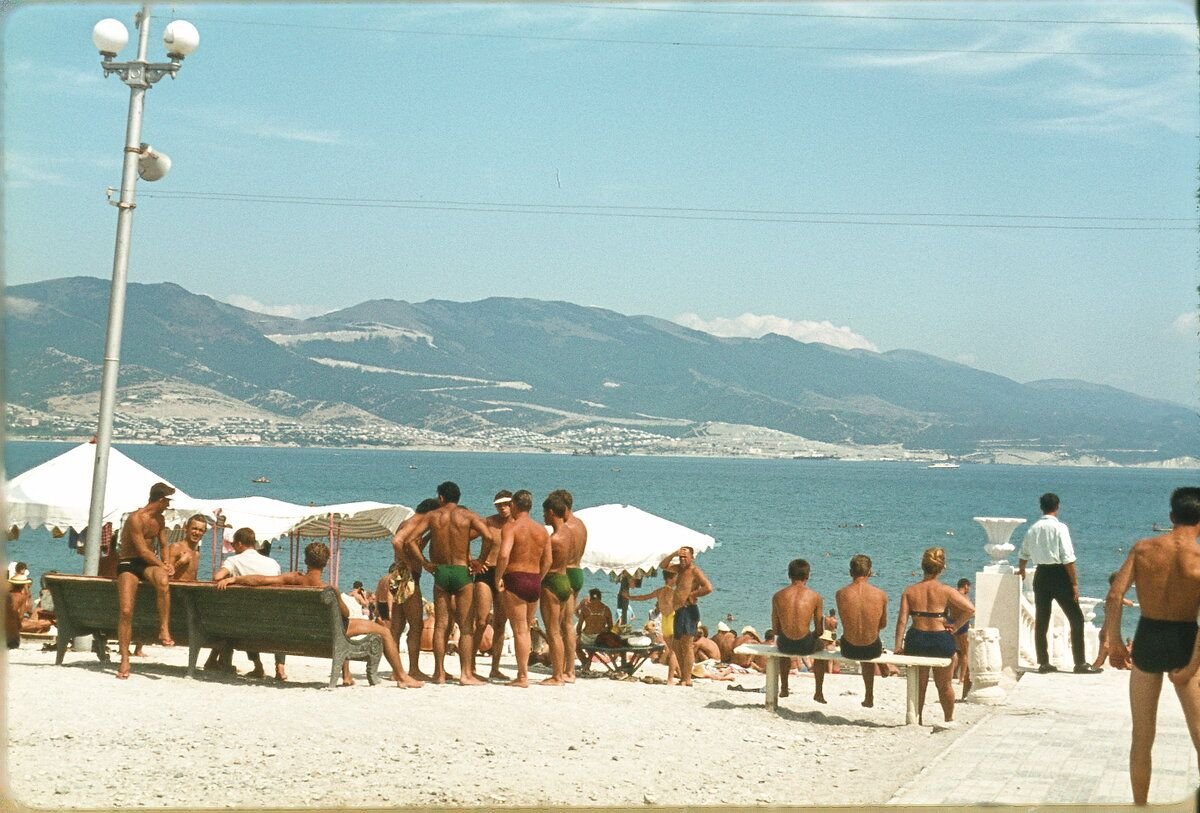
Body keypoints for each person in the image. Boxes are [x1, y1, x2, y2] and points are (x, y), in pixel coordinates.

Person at [216, 541, 422, 689]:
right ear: (326, 562)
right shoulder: (328, 588)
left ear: (305, 560)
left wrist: (235, 580)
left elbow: (260, 580)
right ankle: (401, 675)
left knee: (338, 625)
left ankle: (347, 675)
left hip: (299, 630)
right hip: (330, 631)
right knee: (383, 632)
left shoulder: (293, 578)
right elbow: (345, 614)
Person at [1107, 488, 1200, 806]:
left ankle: (1140, 806)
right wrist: (1190, 667)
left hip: (1148, 636)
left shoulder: (1143, 549)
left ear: (1172, 517)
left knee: (1142, 736)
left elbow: (1114, 595)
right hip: (1186, 640)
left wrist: (1114, 641)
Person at [391, 482, 495, 685]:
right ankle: (465, 674)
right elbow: (489, 536)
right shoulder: (468, 516)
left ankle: (438, 673)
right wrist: (480, 561)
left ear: (441, 497)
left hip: (441, 572)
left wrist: (425, 564)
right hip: (461, 571)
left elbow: (410, 540)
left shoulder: (432, 516)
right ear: (458, 497)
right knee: (465, 627)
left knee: (440, 625)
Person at [1018, 492, 1101, 675]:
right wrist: (1074, 583)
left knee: (1042, 620)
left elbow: (1023, 553)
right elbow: (1067, 558)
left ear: (1042, 508)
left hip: (1041, 575)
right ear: (1057, 507)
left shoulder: (1033, 529)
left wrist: (1022, 570)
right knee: (1076, 618)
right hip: (1059, 574)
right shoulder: (1060, 528)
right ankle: (1079, 663)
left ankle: (1043, 662)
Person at [895, 547, 974, 726]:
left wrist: (898, 646)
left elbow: (901, 621)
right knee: (944, 684)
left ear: (922, 567)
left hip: (917, 638)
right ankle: (948, 718)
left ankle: (918, 719)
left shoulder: (910, 591)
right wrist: (954, 626)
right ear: (941, 568)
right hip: (940, 638)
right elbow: (970, 609)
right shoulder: (945, 590)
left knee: (919, 685)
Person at [114, 482, 177, 679]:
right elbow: (141, 550)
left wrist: (166, 562)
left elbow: (164, 544)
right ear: (159, 499)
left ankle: (164, 628)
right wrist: (161, 563)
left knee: (163, 581)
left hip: (149, 563)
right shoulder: (136, 518)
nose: (168, 505)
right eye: (167, 501)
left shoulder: (160, 520)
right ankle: (124, 659)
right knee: (126, 610)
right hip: (129, 563)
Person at [211, 527, 287, 680]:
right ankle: (280, 667)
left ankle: (258, 666)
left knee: (244, 614)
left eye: (233, 545)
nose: (232, 548)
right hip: (273, 620)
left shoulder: (233, 560)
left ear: (239, 544)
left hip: (247, 621)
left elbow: (218, 577)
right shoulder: (273, 563)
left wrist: (231, 578)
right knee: (266, 615)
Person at [495, 490, 551, 687]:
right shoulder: (542, 530)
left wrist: (498, 577)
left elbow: (503, 555)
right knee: (525, 628)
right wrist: (538, 578)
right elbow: (548, 560)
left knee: (519, 630)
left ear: (514, 506)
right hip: (534, 578)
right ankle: (523, 674)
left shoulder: (511, 528)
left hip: (516, 577)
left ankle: (522, 676)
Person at [835, 553, 895, 708]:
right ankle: (869, 695)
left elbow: (846, 621)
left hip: (849, 648)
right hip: (872, 649)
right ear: (870, 572)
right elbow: (883, 624)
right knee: (871, 638)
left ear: (850, 572)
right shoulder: (880, 595)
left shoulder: (841, 594)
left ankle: (869, 694)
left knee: (857, 635)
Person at [390, 498, 439, 680]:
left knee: (397, 624)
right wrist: (410, 562)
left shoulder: (410, 524)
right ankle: (413, 669)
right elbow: (397, 542)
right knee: (416, 624)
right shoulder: (414, 523)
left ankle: (397, 670)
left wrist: (428, 537)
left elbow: (412, 544)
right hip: (408, 577)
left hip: (400, 575)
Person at [771, 559, 827, 702]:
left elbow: (776, 630)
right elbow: (820, 631)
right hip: (805, 644)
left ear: (789, 575)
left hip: (785, 644)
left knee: (783, 644)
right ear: (807, 576)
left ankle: (784, 687)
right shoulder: (815, 597)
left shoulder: (778, 596)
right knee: (822, 648)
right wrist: (811, 636)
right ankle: (819, 691)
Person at [472, 491, 513, 680]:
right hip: (486, 573)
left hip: (506, 574)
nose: (503, 508)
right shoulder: (488, 522)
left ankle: (494, 667)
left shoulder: (516, 525)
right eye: (499, 505)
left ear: (513, 504)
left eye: (506, 504)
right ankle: (470, 665)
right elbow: (462, 537)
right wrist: (471, 559)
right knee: (480, 621)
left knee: (500, 623)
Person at [659, 546, 712, 688]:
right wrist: (674, 553)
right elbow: (662, 566)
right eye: (681, 557)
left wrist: (692, 595)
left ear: (692, 558)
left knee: (687, 645)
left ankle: (687, 678)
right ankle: (684, 676)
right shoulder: (679, 569)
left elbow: (708, 587)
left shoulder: (695, 571)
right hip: (679, 611)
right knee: (677, 645)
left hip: (689, 610)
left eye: (685, 557)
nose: (682, 559)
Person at [539, 493, 578, 686]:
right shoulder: (570, 533)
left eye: (544, 513)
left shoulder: (553, 538)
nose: (543, 516)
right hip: (565, 580)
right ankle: (562, 671)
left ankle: (557, 676)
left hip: (552, 581)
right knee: (563, 629)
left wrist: (536, 580)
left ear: (551, 512)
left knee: (553, 631)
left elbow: (546, 563)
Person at [549, 488, 587, 680]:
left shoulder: (566, 528)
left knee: (564, 624)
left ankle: (569, 669)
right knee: (567, 623)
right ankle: (566, 666)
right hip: (578, 570)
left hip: (567, 572)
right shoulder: (581, 525)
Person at [623, 569, 680, 682]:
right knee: (674, 652)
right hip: (672, 619)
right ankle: (670, 679)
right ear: (671, 578)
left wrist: (629, 597)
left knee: (672, 650)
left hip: (664, 621)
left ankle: (681, 674)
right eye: (675, 578)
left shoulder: (660, 591)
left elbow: (644, 597)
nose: (677, 580)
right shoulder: (674, 593)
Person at [1093, 572, 1136, 670]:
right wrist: (1130, 602)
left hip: (1106, 630)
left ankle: (1097, 666)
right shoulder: (1116, 597)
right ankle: (1126, 663)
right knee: (1106, 652)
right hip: (1108, 632)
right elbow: (1129, 603)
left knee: (1103, 654)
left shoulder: (1112, 596)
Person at [575, 588, 613, 673]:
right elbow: (611, 626)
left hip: (587, 637)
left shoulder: (585, 609)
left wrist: (579, 634)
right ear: (600, 597)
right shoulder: (606, 609)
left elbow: (579, 627)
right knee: (592, 645)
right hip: (600, 638)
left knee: (576, 646)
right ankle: (587, 663)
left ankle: (585, 662)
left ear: (590, 597)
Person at [166, 514, 208, 582]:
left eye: (201, 530)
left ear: (204, 533)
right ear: (186, 528)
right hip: (175, 590)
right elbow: (165, 576)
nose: (197, 532)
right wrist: (180, 563)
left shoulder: (197, 554)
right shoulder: (175, 548)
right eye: (194, 528)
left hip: (189, 591)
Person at [952, 578, 972, 698]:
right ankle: (961, 678)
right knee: (965, 653)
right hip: (963, 625)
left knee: (954, 651)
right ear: (965, 585)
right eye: (968, 587)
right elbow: (971, 611)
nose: (969, 589)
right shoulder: (964, 598)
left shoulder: (952, 594)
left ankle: (951, 675)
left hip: (952, 622)